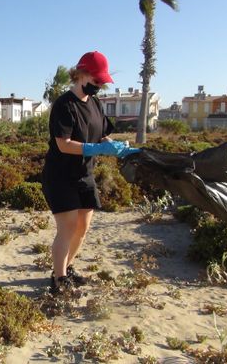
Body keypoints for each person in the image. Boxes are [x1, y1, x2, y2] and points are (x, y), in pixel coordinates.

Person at [41, 51, 140, 294]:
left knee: (82, 227)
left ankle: (67, 267)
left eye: (102, 83)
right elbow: (63, 144)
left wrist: (114, 146)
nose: (99, 87)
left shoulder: (95, 104)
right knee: (67, 227)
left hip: (85, 174)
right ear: (81, 74)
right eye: (96, 82)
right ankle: (59, 280)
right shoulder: (64, 105)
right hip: (60, 175)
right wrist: (96, 148)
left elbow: (102, 133)